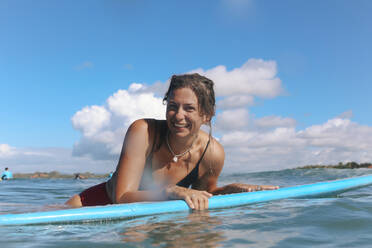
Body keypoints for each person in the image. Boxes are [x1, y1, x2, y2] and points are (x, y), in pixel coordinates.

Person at [66, 73, 278, 210]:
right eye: (173, 106)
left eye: (189, 108)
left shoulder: (212, 153)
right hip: (93, 206)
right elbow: (121, 197)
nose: (178, 115)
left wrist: (233, 189)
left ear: (207, 115)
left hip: (145, 219)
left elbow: (205, 194)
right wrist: (170, 191)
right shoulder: (143, 132)